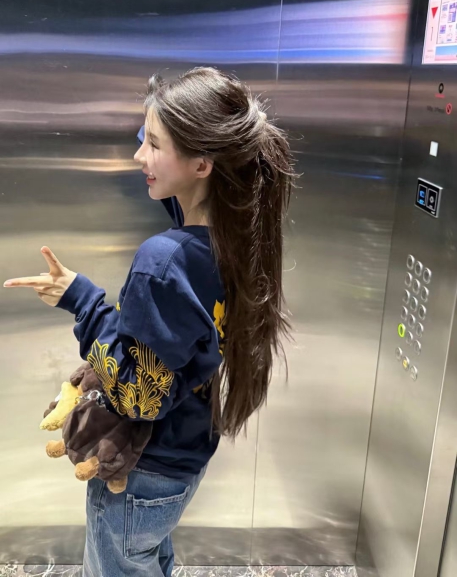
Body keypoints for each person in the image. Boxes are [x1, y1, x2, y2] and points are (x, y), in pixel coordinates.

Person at [3, 67, 296, 577]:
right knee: (147, 559)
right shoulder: (234, 239)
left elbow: (141, 396)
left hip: (140, 472)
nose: (139, 155)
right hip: (186, 455)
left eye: (154, 144)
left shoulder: (164, 261)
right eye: (144, 136)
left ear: (202, 163)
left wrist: (83, 302)